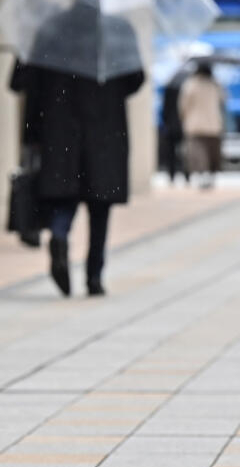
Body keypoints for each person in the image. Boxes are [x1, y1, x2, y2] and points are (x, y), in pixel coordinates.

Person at [9, 22, 145, 298]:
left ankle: (59, 236)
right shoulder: (117, 31)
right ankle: (94, 277)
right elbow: (135, 79)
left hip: (60, 130)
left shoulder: (50, 30)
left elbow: (21, 82)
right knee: (100, 206)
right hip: (104, 129)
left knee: (64, 197)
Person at [178, 61, 225, 189]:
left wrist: (184, 118)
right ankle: (210, 175)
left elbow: (183, 105)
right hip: (213, 124)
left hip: (195, 124)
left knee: (198, 152)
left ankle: (202, 174)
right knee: (212, 152)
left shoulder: (190, 84)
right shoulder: (215, 84)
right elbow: (223, 100)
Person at [160, 68, 190, 184]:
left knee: (171, 153)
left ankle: (171, 175)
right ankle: (187, 175)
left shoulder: (169, 89)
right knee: (185, 152)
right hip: (183, 124)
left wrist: (165, 122)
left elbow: (165, 109)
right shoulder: (185, 89)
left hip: (171, 125)